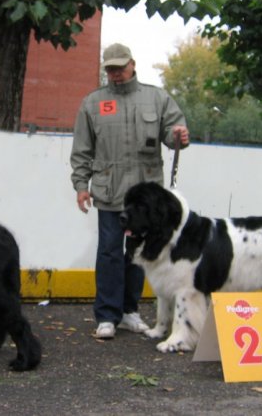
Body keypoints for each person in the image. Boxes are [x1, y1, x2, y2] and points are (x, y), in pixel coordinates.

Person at [70, 43, 190, 340]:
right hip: (109, 191)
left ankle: (129, 312)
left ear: (133, 64)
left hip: (145, 197)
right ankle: (107, 315)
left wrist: (179, 135)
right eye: (110, 69)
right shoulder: (92, 103)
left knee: (139, 253)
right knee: (109, 252)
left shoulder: (157, 98)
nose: (115, 74)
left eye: (120, 68)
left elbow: (174, 131)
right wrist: (81, 186)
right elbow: (82, 151)